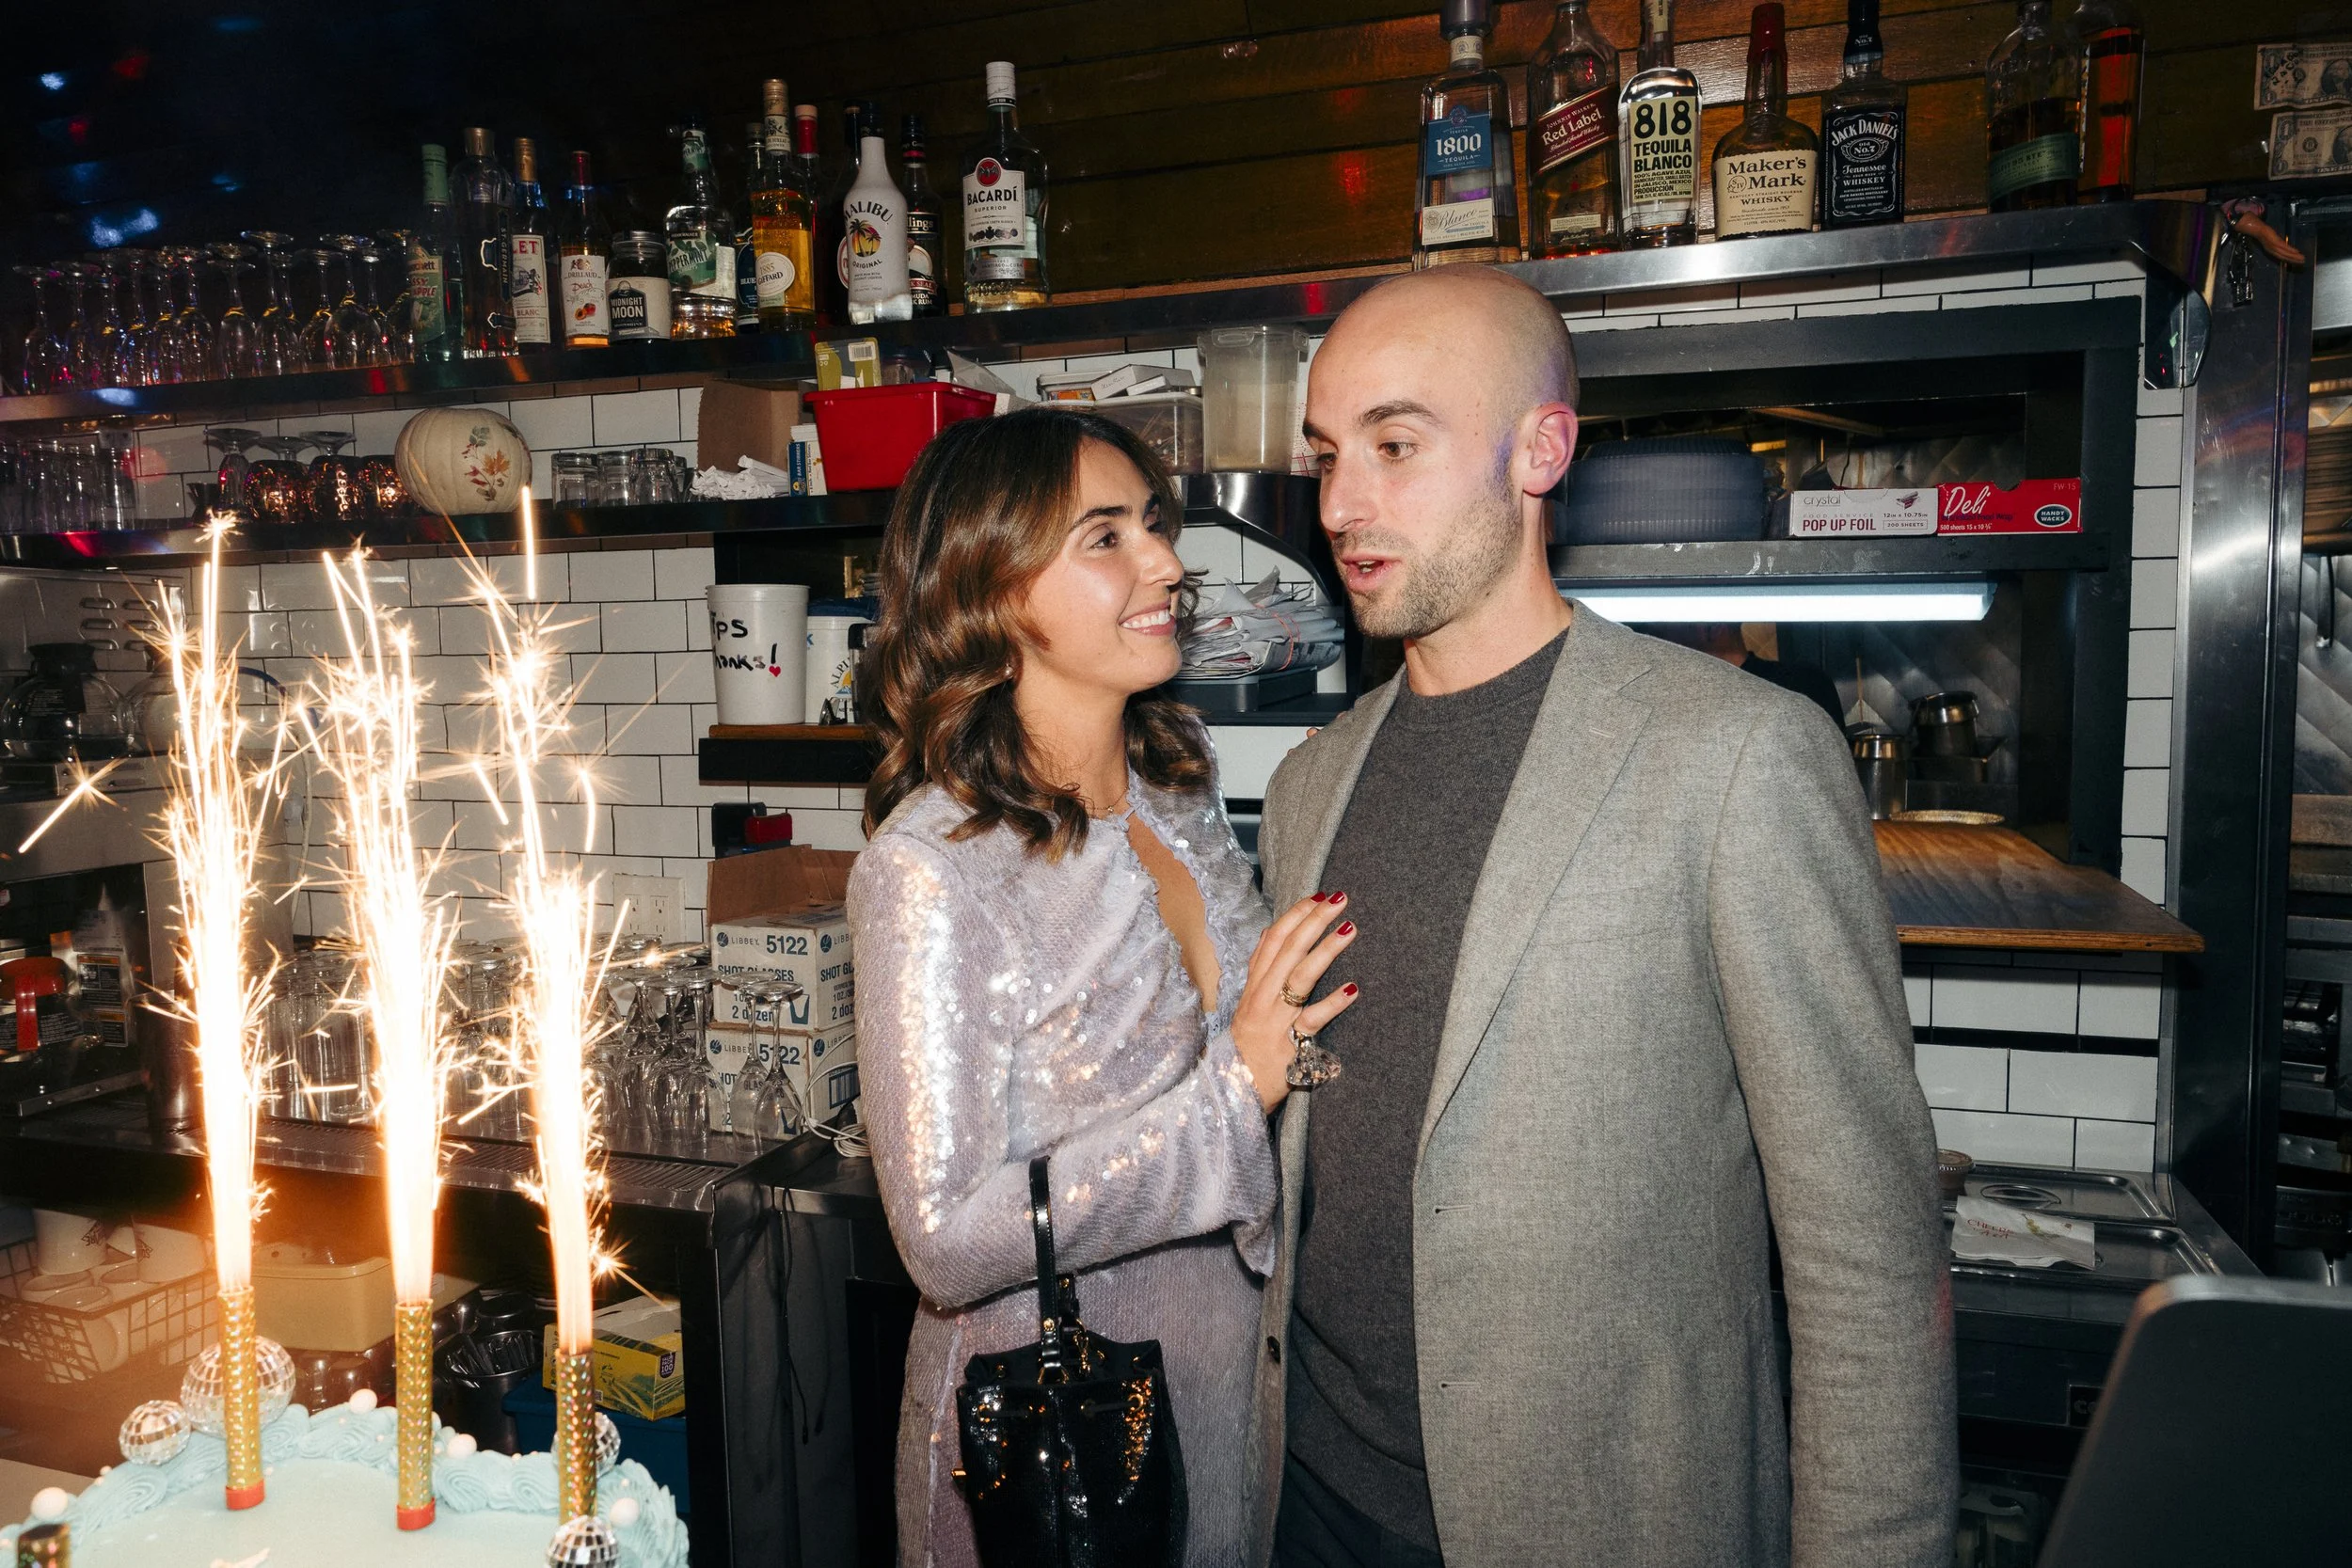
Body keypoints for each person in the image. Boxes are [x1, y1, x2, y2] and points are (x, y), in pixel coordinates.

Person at [1250, 265, 1957, 1567]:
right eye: (1327, 454)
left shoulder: (1736, 757)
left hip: (1599, 1516)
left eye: (1397, 445)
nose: (1342, 504)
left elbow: (1867, 1250)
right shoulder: (1308, 786)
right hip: (1312, 1508)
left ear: (1541, 446)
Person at [847, 405, 1360, 1568]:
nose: (1168, 563)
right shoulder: (931, 867)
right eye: (1106, 535)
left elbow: (1249, 1046)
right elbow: (943, 1238)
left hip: (1228, 1398)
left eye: (1155, 525)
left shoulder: (1177, 790)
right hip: (1052, 1451)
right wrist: (1237, 1091)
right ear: (991, 584)